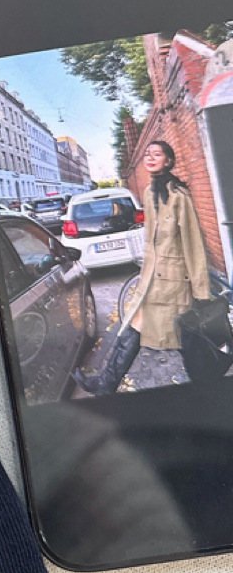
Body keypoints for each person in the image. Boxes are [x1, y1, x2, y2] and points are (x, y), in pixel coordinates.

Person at [73, 140, 211, 395]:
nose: (150, 158)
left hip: (174, 281)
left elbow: (193, 244)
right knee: (145, 327)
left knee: (181, 335)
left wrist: (201, 291)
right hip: (153, 279)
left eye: (157, 154)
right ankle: (106, 382)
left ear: (168, 161)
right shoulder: (148, 192)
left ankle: (107, 383)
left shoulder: (180, 196)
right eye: (147, 154)